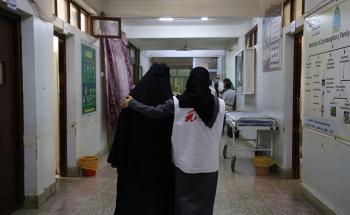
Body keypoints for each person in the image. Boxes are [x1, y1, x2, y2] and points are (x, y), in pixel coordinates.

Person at [123, 67, 225, 215]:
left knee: (182, 203)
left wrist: (133, 103)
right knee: (205, 205)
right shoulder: (220, 104)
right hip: (209, 164)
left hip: (183, 162)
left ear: (190, 80)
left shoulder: (177, 102)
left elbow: (155, 112)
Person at [107, 63, 174, 215]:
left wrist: (120, 159)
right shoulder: (169, 102)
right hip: (159, 161)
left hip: (133, 160)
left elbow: (122, 131)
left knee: (133, 196)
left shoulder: (132, 97)